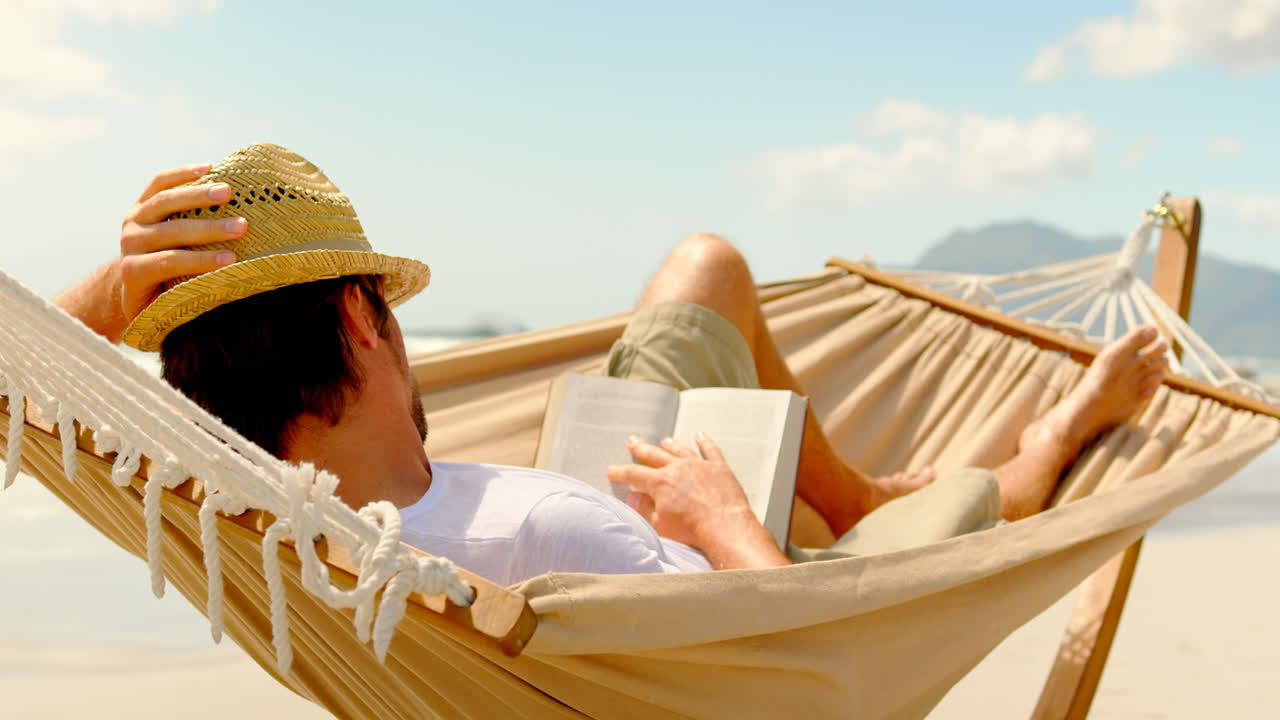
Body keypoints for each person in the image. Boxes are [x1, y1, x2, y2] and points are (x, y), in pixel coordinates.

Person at [55, 143, 1168, 584]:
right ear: (361, 317)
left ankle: (856, 487)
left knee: (705, 268)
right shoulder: (548, 539)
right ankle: (1052, 436)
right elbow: (797, 677)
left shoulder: (233, 515)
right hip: (738, 557)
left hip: (613, 481)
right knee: (979, 497)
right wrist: (724, 521)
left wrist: (111, 300)